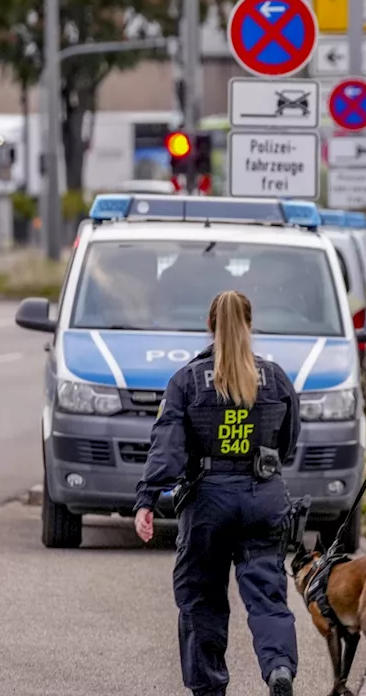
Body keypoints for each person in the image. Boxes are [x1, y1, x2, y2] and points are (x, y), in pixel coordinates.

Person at [133, 290, 302, 696]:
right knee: (267, 594)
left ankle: (209, 688)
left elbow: (167, 446)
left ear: (210, 326)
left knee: (201, 599)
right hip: (264, 497)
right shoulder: (275, 377)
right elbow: (289, 442)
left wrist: (148, 498)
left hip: (208, 502)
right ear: (249, 326)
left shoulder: (187, 380)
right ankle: (278, 666)